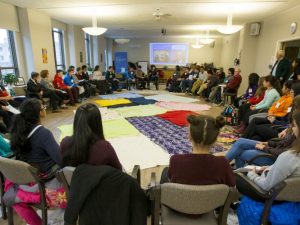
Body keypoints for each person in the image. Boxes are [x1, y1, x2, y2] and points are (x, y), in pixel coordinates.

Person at [5, 98, 63, 225]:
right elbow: (61, 160)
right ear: (39, 113)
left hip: (27, 182)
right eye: (43, 108)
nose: (45, 110)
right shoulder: (43, 133)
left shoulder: (18, 131)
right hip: (47, 184)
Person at [161, 115, 235, 186]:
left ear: (189, 136)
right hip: (214, 199)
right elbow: (232, 187)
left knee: (165, 172)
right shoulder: (223, 163)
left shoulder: (175, 161)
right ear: (215, 140)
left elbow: (171, 182)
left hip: (181, 198)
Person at [60, 103, 122, 169]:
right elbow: (118, 170)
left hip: (74, 178)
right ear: (97, 123)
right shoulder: (104, 148)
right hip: (97, 179)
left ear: (76, 122)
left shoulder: (65, 143)